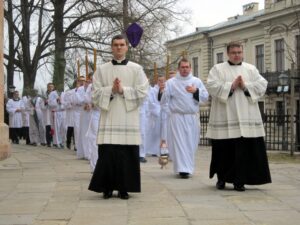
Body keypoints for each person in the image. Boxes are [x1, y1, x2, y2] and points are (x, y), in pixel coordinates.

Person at [88, 34, 149, 199]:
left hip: (128, 117)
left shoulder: (137, 69)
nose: (119, 48)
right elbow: (95, 93)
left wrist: (123, 90)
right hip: (109, 116)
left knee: (126, 154)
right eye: (115, 45)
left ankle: (124, 188)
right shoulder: (102, 69)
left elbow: (144, 92)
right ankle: (106, 187)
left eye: (122, 45)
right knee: (107, 154)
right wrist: (111, 90)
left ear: (127, 47)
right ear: (111, 47)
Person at [206, 41, 272, 191]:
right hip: (224, 117)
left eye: (239, 52)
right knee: (223, 151)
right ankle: (221, 179)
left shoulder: (251, 69)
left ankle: (239, 181)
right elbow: (211, 85)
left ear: (242, 53)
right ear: (228, 54)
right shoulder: (217, 69)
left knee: (243, 153)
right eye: (234, 52)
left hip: (246, 118)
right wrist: (231, 86)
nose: (237, 55)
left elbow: (262, 85)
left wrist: (245, 86)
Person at [161, 58, 209, 178]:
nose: (185, 69)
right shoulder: (171, 82)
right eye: (182, 67)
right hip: (177, 118)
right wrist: (164, 92)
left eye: (187, 67)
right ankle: (183, 169)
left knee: (190, 143)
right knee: (179, 143)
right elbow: (163, 101)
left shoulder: (196, 81)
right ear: (178, 68)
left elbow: (205, 98)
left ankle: (188, 167)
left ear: (190, 68)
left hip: (192, 117)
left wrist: (195, 91)